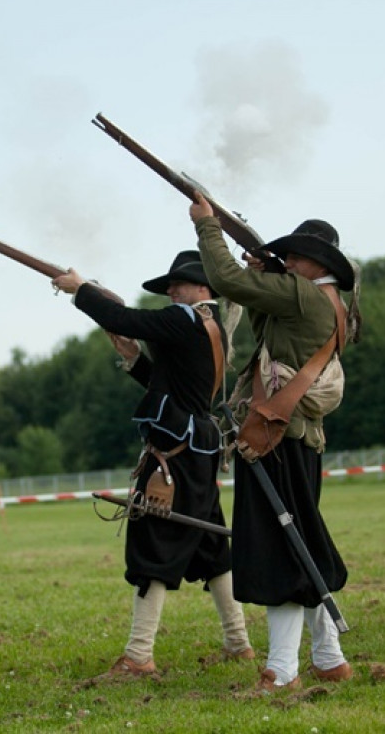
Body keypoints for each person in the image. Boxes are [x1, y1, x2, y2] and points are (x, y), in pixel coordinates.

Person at [52, 251, 254, 678]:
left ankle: (139, 656)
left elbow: (126, 318)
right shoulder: (207, 326)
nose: (171, 291)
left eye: (178, 284)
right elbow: (171, 387)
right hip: (196, 453)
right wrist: (132, 357)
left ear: (203, 288)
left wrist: (80, 289)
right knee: (212, 549)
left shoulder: (186, 320)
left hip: (174, 457)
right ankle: (238, 643)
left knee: (152, 548)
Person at [190, 192, 360, 694]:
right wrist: (265, 271)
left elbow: (223, 281)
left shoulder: (306, 294)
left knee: (279, 550)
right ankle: (329, 657)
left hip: (276, 438)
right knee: (297, 542)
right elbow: (263, 318)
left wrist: (206, 226)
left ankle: (282, 670)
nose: (288, 261)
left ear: (317, 261)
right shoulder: (319, 299)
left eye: (295, 255)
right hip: (291, 438)